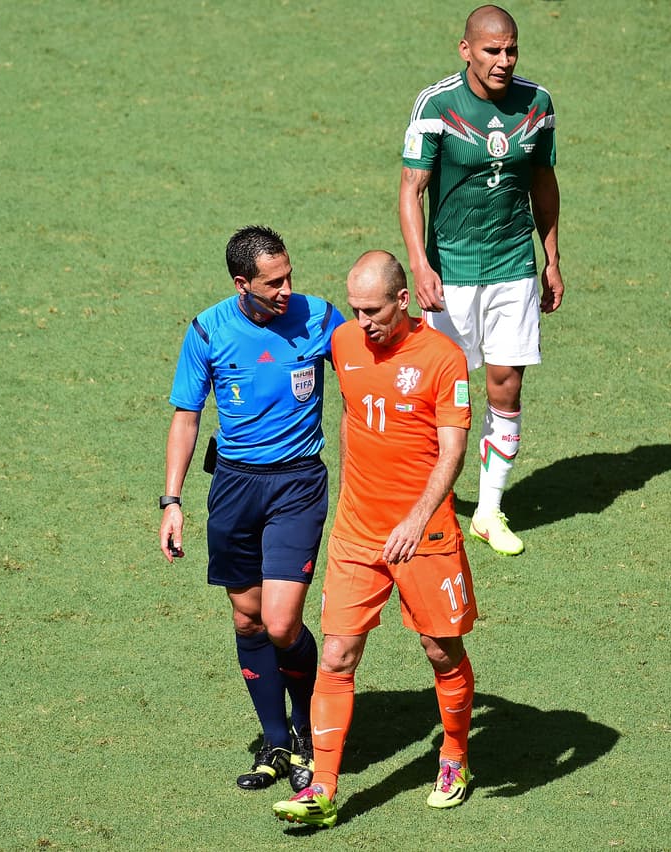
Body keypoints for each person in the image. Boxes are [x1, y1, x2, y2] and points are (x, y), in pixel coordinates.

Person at [274, 251, 477, 828]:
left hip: (426, 533)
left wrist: (415, 519)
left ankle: (456, 756)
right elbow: (350, 412)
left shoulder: (445, 360)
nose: (362, 323)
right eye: (356, 310)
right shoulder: (344, 346)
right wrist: (348, 491)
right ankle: (323, 788)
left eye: (373, 311)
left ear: (403, 300)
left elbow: (454, 449)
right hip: (357, 532)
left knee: (441, 650)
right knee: (336, 655)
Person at [160, 225, 344, 793]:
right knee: (247, 618)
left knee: (282, 622)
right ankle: (276, 741)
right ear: (243, 285)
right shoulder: (208, 330)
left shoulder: (320, 317)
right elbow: (187, 416)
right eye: (274, 282)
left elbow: (369, 369)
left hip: (297, 484)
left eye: (289, 275)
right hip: (235, 487)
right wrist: (172, 500)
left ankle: (313, 736)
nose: (289, 289)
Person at [399, 4, 564, 556]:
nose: (503, 60)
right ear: (466, 49)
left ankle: (490, 511)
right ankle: (431, 499)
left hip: (512, 264)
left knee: (506, 387)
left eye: (511, 49)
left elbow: (543, 181)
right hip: (453, 273)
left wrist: (552, 257)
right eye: (492, 50)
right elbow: (410, 191)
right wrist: (421, 265)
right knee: (440, 394)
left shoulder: (537, 104)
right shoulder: (436, 104)